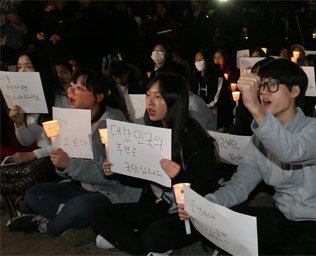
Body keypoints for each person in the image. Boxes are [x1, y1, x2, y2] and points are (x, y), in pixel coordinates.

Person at [179, 59, 316, 255]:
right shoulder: (259, 138)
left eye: (271, 85)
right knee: (221, 219)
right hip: (281, 215)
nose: (263, 92)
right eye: (261, 86)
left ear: (294, 91)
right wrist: (204, 205)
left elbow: (291, 151)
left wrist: (255, 109)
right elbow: (240, 185)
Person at [91, 73, 220, 255]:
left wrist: (179, 177)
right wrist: (118, 170)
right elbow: (144, 179)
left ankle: (134, 240)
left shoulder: (194, 137)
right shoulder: (151, 132)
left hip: (189, 213)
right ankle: (144, 248)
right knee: (100, 215)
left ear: (174, 100)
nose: (150, 102)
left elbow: (206, 188)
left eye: (158, 97)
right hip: (162, 205)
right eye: (148, 95)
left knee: (153, 236)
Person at [8, 70, 142, 244]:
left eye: (79, 88)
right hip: (85, 187)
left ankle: (46, 225)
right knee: (33, 194)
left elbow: (111, 177)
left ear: (99, 96)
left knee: (79, 208)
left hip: (113, 193)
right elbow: (66, 172)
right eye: (70, 86)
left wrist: (70, 165)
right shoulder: (71, 119)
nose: (71, 92)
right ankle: (79, 223)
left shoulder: (112, 122)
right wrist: (62, 166)